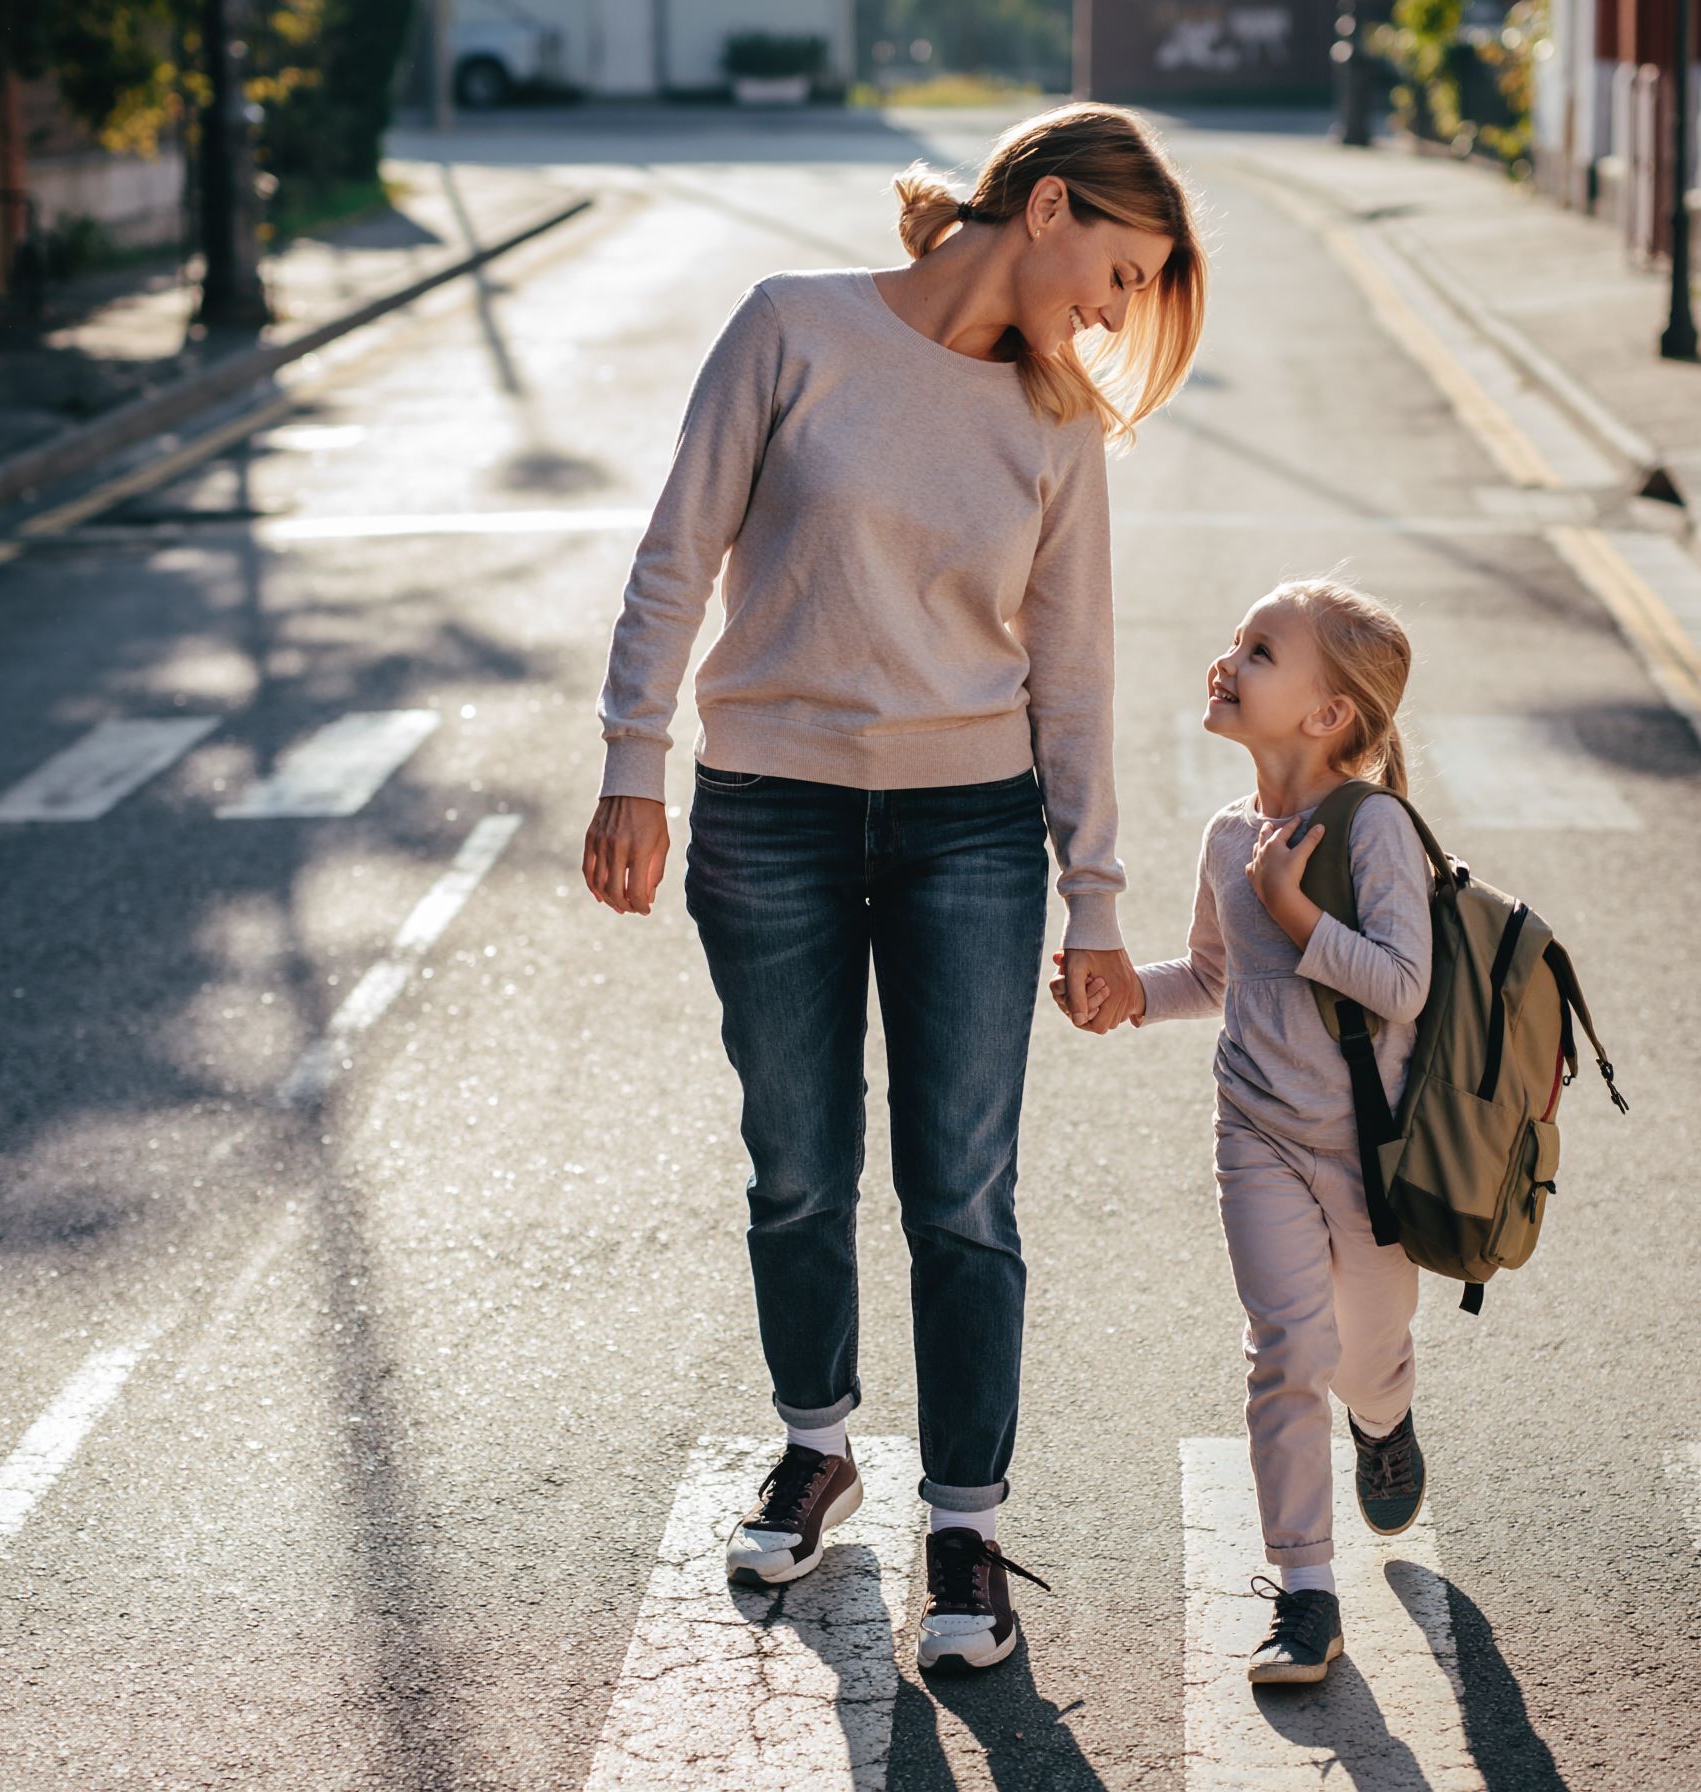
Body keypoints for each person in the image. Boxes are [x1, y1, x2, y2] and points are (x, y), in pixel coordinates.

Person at [583, 104, 1206, 1671]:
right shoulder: (793, 328)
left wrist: (1100, 901)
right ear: (1046, 207)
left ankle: (969, 1533)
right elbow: (677, 554)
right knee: (795, 1163)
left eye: (1138, 296)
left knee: (961, 1195)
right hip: (770, 814)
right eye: (1120, 274)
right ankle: (818, 1443)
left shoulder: (1054, 421)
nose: (1115, 316)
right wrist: (629, 763)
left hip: (969, 837)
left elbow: (1073, 672)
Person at [1061, 578, 1431, 1685]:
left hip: (1371, 1155)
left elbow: (1403, 986)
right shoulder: (1231, 839)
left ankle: (1387, 1415)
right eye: (1235, 641)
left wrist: (1298, 912)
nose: (1229, 659)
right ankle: (1306, 1593)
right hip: (1256, 1135)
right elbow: (1217, 978)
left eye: (1260, 650)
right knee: (1286, 1351)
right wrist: (1132, 994)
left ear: (1328, 718)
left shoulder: (1374, 834)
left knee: (1363, 1354)